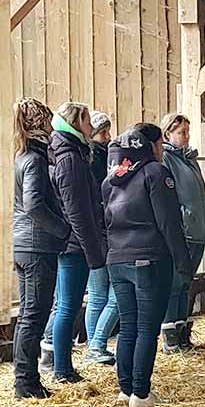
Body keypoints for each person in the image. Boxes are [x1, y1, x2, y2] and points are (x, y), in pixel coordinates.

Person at [102, 123, 190, 407]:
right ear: (151, 147)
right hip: (149, 258)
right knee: (147, 329)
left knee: (128, 327)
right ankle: (141, 392)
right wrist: (183, 261)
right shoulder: (155, 173)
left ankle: (125, 388)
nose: (162, 149)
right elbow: (169, 222)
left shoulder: (111, 180)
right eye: (160, 144)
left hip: (117, 259)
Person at [45, 102, 107, 384]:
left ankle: (62, 365)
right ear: (76, 123)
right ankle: (62, 369)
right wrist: (93, 251)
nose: (91, 127)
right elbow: (76, 210)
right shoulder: (70, 159)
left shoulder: (72, 153)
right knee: (68, 306)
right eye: (86, 121)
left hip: (74, 242)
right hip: (74, 245)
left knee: (66, 305)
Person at [10, 99, 68, 399]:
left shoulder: (26, 155)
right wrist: (61, 228)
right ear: (40, 124)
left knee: (28, 314)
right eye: (48, 121)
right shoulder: (34, 160)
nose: (51, 127)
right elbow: (34, 204)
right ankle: (26, 383)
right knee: (34, 314)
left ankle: (26, 378)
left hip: (25, 244)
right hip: (36, 246)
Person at [160, 113, 205, 353]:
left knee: (186, 283)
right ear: (168, 134)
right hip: (184, 230)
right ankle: (170, 334)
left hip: (197, 228)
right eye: (181, 132)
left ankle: (183, 334)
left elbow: (198, 192)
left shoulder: (188, 159)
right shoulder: (167, 159)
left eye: (187, 132)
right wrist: (182, 218)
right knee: (174, 283)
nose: (186, 137)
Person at [82, 111, 121, 365]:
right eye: (103, 133)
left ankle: (92, 347)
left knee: (96, 295)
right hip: (106, 231)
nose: (108, 137)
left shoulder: (84, 157)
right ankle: (97, 343)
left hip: (92, 234)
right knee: (116, 295)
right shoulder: (100, 159)